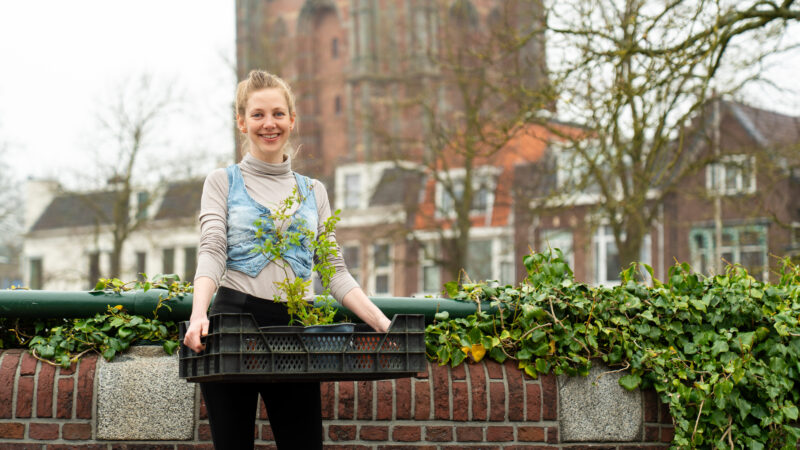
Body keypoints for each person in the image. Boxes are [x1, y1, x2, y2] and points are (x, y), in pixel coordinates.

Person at [183, 69, 392, 450]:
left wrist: (381, 322)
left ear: (292, 120)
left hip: (296, 329)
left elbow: (334, 270)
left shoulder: (313, 191)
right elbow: (212, 250)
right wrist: (199, 313)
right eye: (258, 114)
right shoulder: (222, 182)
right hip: (235, 324)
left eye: (278, 114)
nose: (269, 123)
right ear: (242, 122)